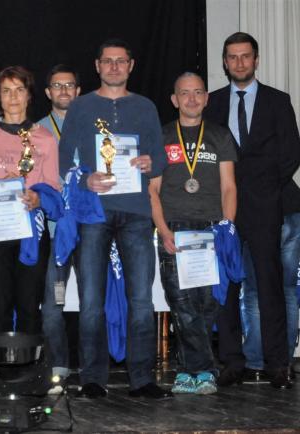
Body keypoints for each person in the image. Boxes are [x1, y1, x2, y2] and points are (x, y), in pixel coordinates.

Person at [58, 38, 172, 399]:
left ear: (131, 66)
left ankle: (142, 379)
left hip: (137, 212)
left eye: (121, 61)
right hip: (94, 212)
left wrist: (151, 162)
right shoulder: (81, 107)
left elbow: (160, 157)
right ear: (97, 66)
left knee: (141, 300)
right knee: (91, 300)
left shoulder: (146, 106)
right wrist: (84, 179)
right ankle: (93, 378)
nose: (114, 67)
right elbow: (64, 161)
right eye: (107, 61)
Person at [205, 32, 300, 389]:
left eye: (245, 56)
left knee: (271, 287)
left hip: (268, 207)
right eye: (233, 57)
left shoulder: (278, 101)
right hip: (224, 208)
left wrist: (263, 191)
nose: (239, 63)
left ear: (256, 60)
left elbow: (291, 153)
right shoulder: (212, 103)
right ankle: (232, 361)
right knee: (227, 287)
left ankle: (278, 364)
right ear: (225, 62)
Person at [150, 72, 237, 395]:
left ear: (206, 98)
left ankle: (189, 371)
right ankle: (202, 371)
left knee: (206, 305)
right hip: (175, 229)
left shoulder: (219, 135)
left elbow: (229, 187)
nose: (191, 98)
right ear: (174, 99)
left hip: (212, 228)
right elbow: (152, 190)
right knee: (182, 303)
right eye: (184, 93)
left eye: (198, 92)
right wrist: (163, 230)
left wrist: (226, 227)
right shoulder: (160, 136)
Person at [0, 65, 59, 337]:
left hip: (32, 228)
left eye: (19, 90)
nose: (13, 96)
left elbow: (53, 188)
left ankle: (30, 363)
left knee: (30, 306)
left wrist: (37, 198)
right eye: (6, 91)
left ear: (29, 95)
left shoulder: (45, 139)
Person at [35, 64, 81, 390]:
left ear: (78, 91)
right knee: (52, 305)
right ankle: (59, 368)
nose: (64, 90)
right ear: (48, 92)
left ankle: (94, 370)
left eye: (69, 85)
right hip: (53, 231)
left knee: (94, 302)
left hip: (91, 227)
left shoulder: (94, 126)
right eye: (57, 85)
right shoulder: (36, 131)